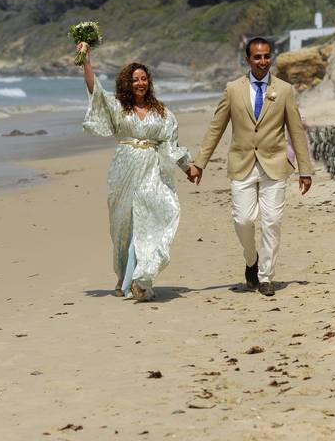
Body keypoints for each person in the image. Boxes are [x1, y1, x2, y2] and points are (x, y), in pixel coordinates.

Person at [187, 37, 313, 297]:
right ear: (248, 59)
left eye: (267, 56)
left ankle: (266, 277)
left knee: (272, 221)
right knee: (243, 219)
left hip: (275, 165)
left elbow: (296, 131)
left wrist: (305, 169)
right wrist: (200, 163)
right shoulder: (233, 89)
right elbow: (216, 128)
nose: (263, 61)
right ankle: (251, 260)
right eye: (257, 57)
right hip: (242, 164)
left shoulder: (284, 90)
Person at [77, 41, 193, 302]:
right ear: (126, 84)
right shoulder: (118, 106)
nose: (140, 83)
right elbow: (95, 91)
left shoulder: (162, 112)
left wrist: (187, 167)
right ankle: (123, 276)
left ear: (149, 82)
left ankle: (137, 278)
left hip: (152, 170)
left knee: (147, 221)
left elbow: (170, 144)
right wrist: (86, 59)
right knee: (123, 226)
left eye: (143, 79)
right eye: (134, 80)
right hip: (124, 169)